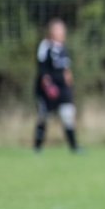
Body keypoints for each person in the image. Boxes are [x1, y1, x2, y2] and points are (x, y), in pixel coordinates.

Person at [34, 18, 82, 153]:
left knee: (68, 114)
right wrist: (48, 85)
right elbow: (42, 68)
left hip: (63, 88)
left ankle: (74, 147)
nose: (60, 32)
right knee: (44, 117)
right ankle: (37, 147)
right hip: (48, 88)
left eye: (62, 29)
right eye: (58, 29)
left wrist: (69, 83)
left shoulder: (63, 48)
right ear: (51, 31)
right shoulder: (45, 46)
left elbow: (66, 69)